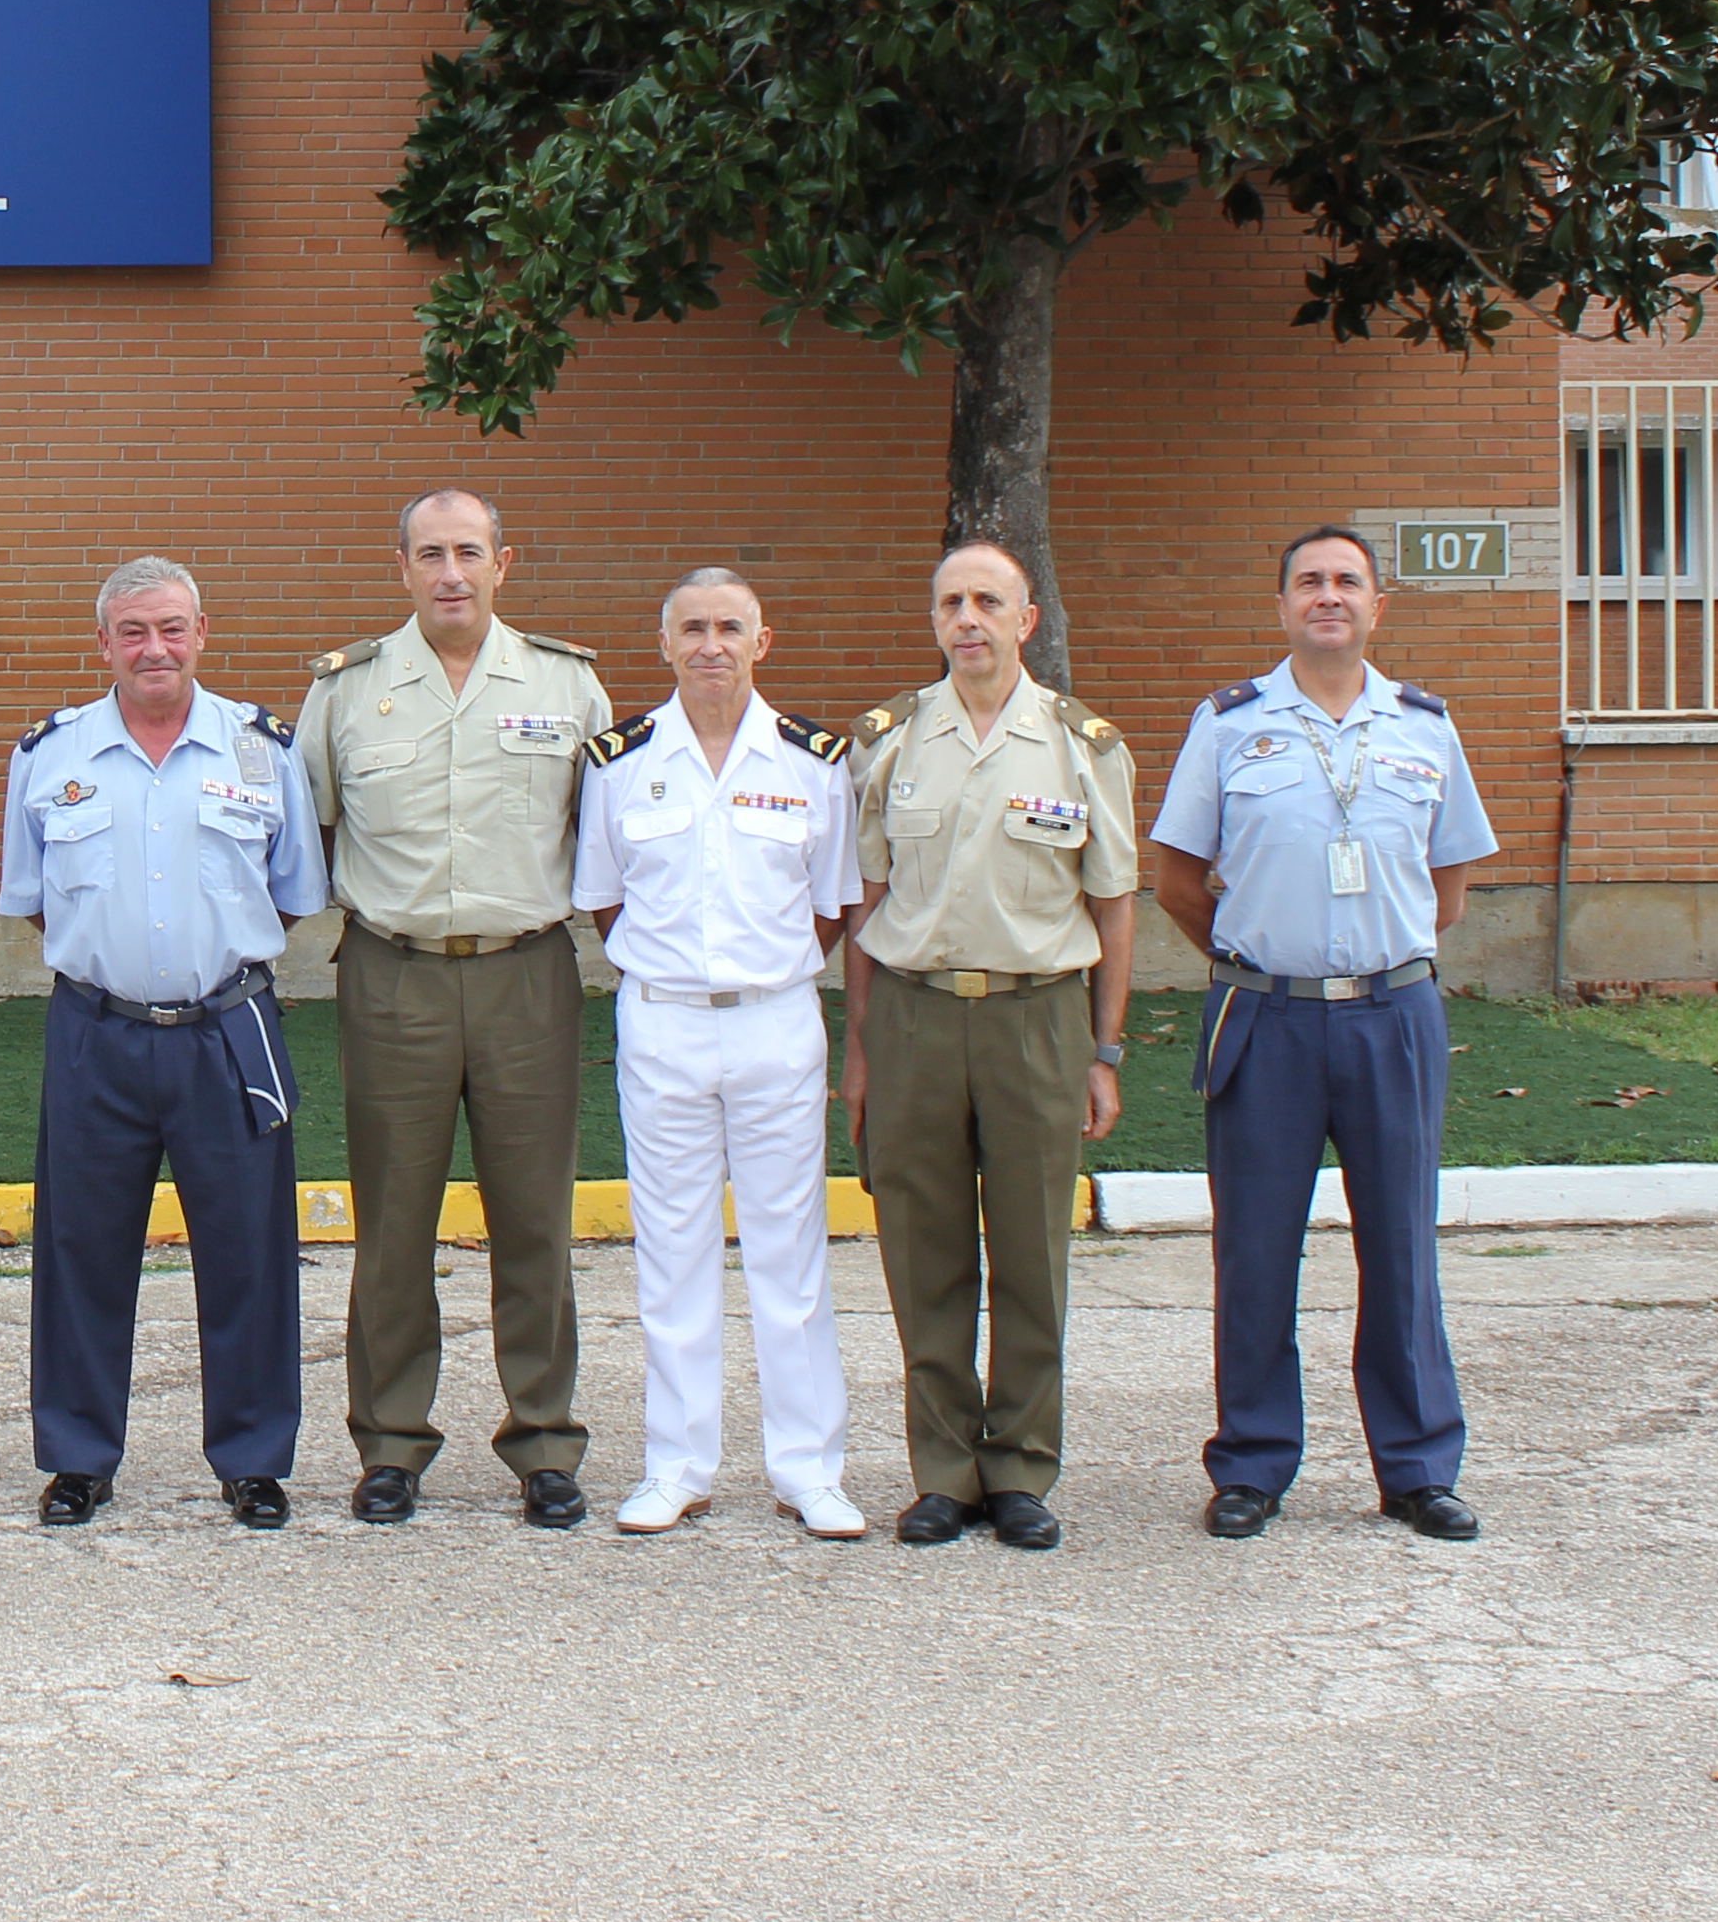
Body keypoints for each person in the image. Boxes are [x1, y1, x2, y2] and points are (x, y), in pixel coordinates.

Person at [1146, 524, 1502, 1544]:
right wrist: (1260, 956)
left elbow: (1449, 888)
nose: (1329, 596)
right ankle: (1253, 1463)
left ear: (1377, 606)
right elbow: (1177, 877)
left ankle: (1418, 1466)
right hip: (1266, 1017)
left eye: (1348, 581)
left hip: (1393, 1015)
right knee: (1255, 1251)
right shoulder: (1227, 726)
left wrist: (1372, 957)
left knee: (1401, 1247)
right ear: (1283, 605)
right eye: (1309, 581)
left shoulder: (1425, 728)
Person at [291, 487, 613, 1528]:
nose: (449, 573)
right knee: (393, 1222)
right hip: (394, 974)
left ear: (503, 562)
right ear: (401, 567)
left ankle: (545, 1442)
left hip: (528, 972)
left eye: (468, 552)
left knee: (535, 1218)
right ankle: (390, 1445)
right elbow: (311, 834)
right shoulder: (345, 691)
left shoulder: (569, 686)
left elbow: (604, 837)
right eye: (429, 554)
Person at [3, 556, 328, 1531]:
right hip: (95, 1030)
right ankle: (78, 1457)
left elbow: (293, 893)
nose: (155, 648)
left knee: (249, 1253)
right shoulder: (50, 754)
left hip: (225, 1032)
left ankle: (254, 1457)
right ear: (102, 642)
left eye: (172, 628)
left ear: (200, 632)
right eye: (133, 631)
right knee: (80, 1252)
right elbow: (32, 901)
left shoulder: (261, 750)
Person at [840, 540, 1135, 1551]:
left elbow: (1114, 904)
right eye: (950, 603)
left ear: (1026, 621)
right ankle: (943, 1472)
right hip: (916, 1015)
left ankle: (1019, 1469)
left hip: (1037, 1018)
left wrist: (1105, 1050)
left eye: (987, 602)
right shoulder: (887, 743)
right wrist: (862, 1051)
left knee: (1030, 1256)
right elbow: (869, 903)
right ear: (934, 621)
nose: (967, 619)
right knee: (921, 1255)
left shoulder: (1081, 746)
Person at [574, 566, 870, 1542]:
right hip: (660, 1022)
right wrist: (682, 978)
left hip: (776, 1022)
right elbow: (607, 899)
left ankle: (807, 1469)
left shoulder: (812, 761)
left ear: (762, 642)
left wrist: (758, 977)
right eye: (692, 628)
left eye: (729, 628)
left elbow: (832, 908)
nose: (711, 645)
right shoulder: (618, 760)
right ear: (664, 644)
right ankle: (679, 1464)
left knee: (791, 1257)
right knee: (672, 1253)